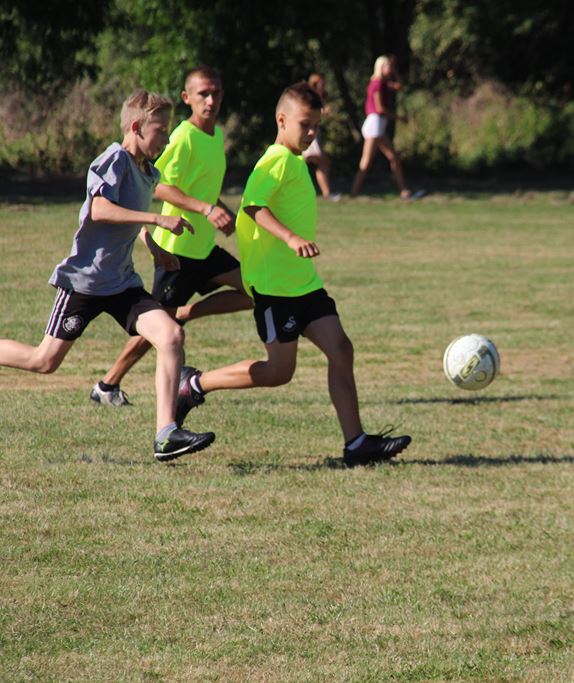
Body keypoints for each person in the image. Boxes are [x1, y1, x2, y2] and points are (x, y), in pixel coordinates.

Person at [0, 90, 216, 462]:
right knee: (44, 361)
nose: (167, 138)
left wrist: (155, 247)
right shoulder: (114, 159)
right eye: (160, 130)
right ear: (137, 127)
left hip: (122, 283)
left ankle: (166, 434)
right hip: (85, 283)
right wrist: (157, 218)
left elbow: (130, 219)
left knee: (171, 335)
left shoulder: (147, 172)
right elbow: (101, 210)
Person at [174, 82, 412, 467]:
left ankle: (356, 444)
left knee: (341, 349)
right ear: (281, 120)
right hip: (274, 289)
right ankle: (194, 385)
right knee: (279, 372)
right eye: (305, 124)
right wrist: (291, 237)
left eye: (317, 125)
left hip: (303, 283)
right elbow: (253, 207)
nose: (312, 132)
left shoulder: (295, 160)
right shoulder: (275, 161)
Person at [90, 65, 253, 407]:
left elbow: (201, 189)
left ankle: (185, 312)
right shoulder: (180, 136)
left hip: (204, 246)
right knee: (154, 331)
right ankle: (107, 385)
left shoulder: (216, 135)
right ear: (187, 98)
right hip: (176, 251)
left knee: (255, 289)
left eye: (217, 93)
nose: (211, 100)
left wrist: (223, 211)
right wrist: (208, 209)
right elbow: (160, 186)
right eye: (203, 94)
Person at [350, 55, 420, 199]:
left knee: (393, 157)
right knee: (367, 161)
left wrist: (394, 72)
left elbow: (400, 86)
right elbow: (380, 108)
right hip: (375, 125)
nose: (389, 68)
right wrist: (399, 118)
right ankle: (354, 193)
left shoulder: (384, 83)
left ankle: (403, 190)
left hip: (378, 125)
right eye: (387, 66)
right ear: (380, 67)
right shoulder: (377, 84)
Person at [301, 73, 340, 201]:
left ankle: (326, 193)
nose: (323, 85)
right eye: (320, 83)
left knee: (321, 163)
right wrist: (322, 112)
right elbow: (305, 113)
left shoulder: (319, 97)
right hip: (308, 134)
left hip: (314, 134)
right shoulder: (309, 97)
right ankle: (325, 193)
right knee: (319, 162)